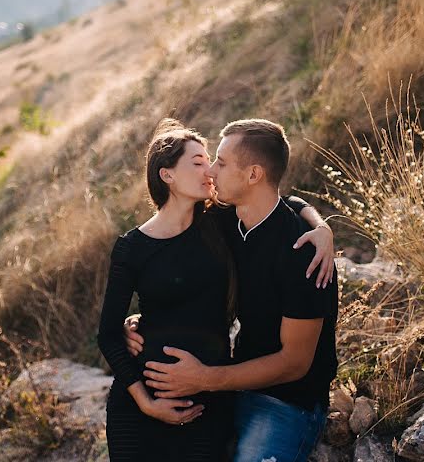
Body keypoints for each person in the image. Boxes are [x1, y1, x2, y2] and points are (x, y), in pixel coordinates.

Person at [97, 119, 335, 462]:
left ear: (251, 175)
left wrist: (322, 228)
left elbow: (294, 364)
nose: (210, 170)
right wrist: (129, 326)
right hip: (194, 394)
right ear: (167, 175)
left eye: (218, 162)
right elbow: (111, 328)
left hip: (262, 398)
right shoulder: (224, 223)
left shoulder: (290, 248)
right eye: (202, 162)